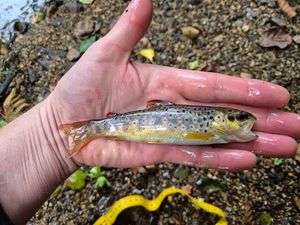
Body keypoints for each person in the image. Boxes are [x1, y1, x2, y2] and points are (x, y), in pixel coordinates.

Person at [0, 0, 299, 224]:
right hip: (128, 125)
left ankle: (84, 131)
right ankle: (86, 130)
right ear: (222, 121)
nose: (243, 122)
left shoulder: (215, 130)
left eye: (239, 119)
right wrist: (49, 133)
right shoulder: (208, 131)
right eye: (237, 118)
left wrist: (46, 138)